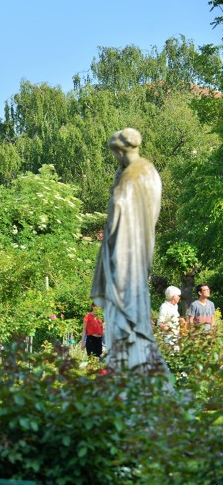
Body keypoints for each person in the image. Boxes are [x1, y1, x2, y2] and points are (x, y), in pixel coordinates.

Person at [90, 128, 167, 372]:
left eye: (116, 154)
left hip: (126, 252)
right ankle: (129, 356)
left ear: (122, 151)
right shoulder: (148, 172)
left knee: (124, 301)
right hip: (137, 248)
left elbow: (120, 216)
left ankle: (129, 358)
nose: (116, 159)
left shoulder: (132, 175)